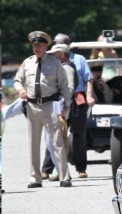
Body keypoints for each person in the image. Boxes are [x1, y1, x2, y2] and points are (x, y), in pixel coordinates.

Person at [14, 31, 72, 188]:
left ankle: (64, 177)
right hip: (32, 106)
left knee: (57, 142)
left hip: (49, 106)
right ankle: (35, 178)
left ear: (46, 46)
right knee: (33, 144)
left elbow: (64, 86)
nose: (36, 47)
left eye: (40, 45)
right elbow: (17, 81)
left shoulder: (55, 63)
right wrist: (20, 89)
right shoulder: (27, 63)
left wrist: (67, 105)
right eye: (34, 45)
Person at [41, 33, 95, 179]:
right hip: (59, 100)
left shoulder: (79, 59)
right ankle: (47, 169)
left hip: (77, 98)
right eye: (55, 43)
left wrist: (89, 95)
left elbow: (88, 79)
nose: (57, 45)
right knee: (55, 134)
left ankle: (81, 169)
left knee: (78, 135)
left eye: (60, 43)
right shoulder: (52, 60)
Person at [40, 44, 77, 181]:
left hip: (58, 109)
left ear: (61, 55)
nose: (50, 57)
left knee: (55, 141)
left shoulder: (66, 68)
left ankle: (63, 173)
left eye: (53, 54)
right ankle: (61, 172)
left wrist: (63, 107)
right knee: (52, 141)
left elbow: (69, 88)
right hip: (57, 108)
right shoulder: (62, 67)